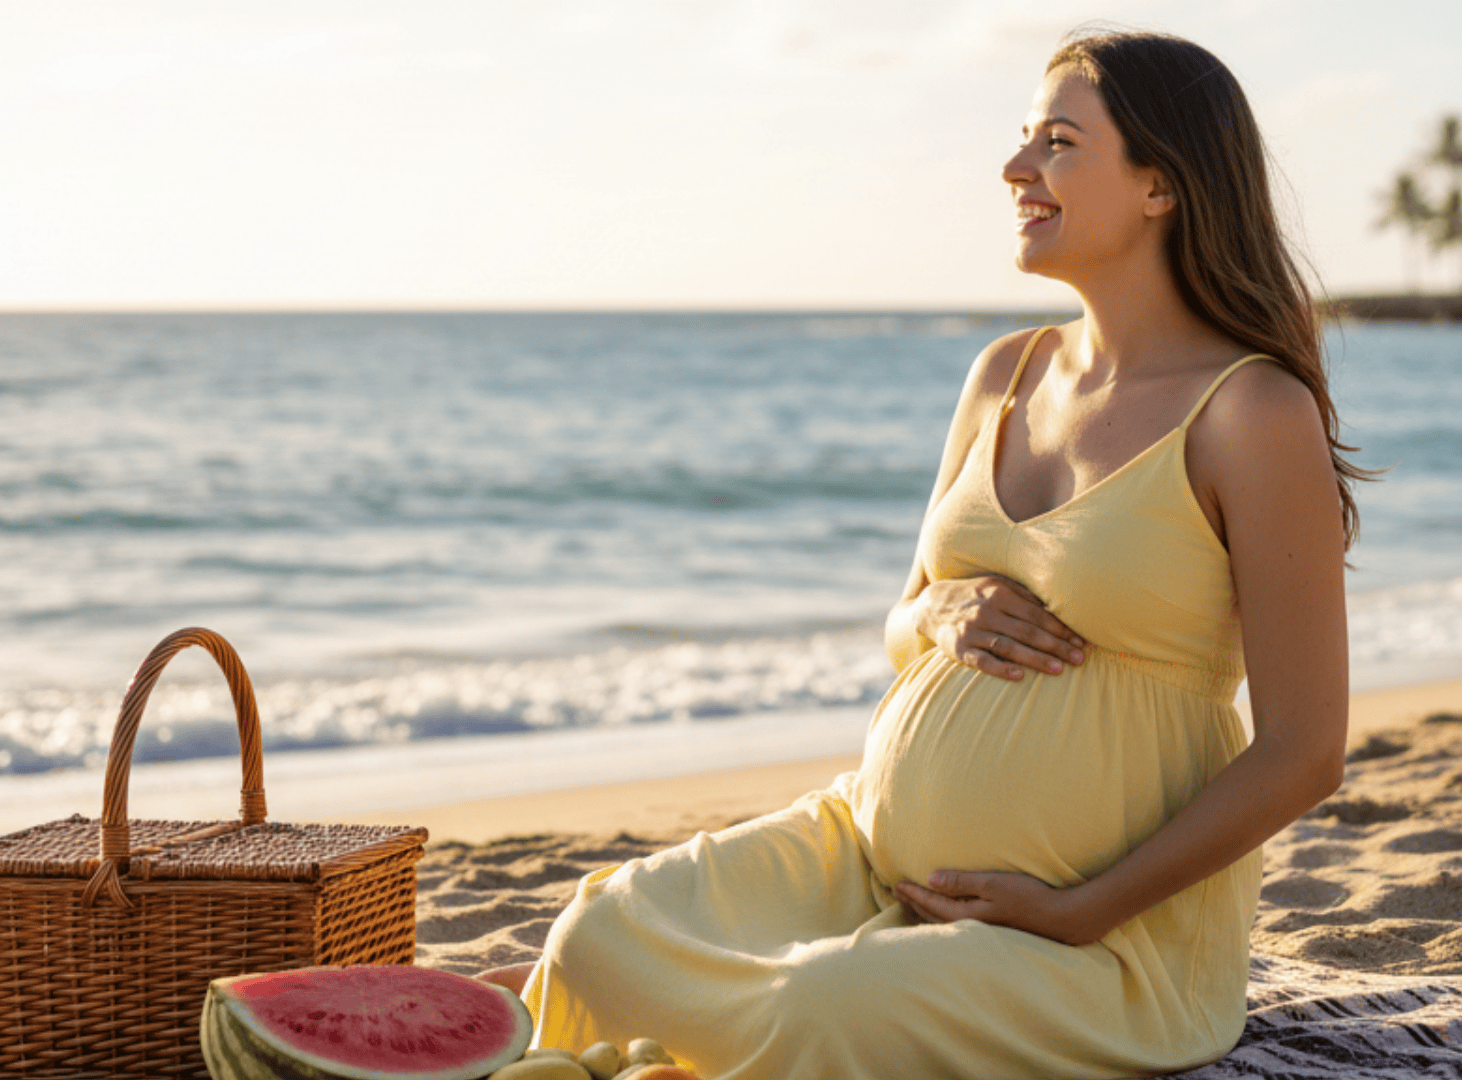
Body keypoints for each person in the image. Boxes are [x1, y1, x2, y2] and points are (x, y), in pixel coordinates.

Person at [480, 28, 1359, 1079]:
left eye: (1059, 143)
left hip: (1108, 942)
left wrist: (1080, 911)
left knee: (821, 1008)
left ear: (1159, 185)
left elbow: (1305, 750)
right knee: (601, 931)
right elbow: (903, 622)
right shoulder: (1005, 372)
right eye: (1024, 139)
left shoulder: (1251, 412)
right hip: (864, 850)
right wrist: (938, 614)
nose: (1016, 168)